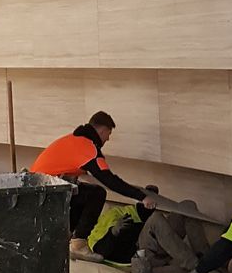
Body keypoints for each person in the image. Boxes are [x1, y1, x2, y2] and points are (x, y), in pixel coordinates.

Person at [31, 111, 153, 260]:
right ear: (102, 130)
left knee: (81, 193)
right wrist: (142, 197)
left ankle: (66, 238)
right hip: (46, 195)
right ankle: (79, 244)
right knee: (97, 194)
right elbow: (110, 180)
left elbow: (74, 172)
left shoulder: (72, 140)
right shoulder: (88, 148)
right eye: (108, 134)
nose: (107, 139)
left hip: (37, 191)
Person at [87, 191, 212, 273]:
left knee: (187, 205)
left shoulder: (119, 211)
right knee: (155, 219)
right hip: (140, 255)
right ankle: (197, 267)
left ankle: (209, 258)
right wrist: (113, 232)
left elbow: (144, 216)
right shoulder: (94, 234)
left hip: (157, 239)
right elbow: (100, 252)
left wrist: (148, 197)